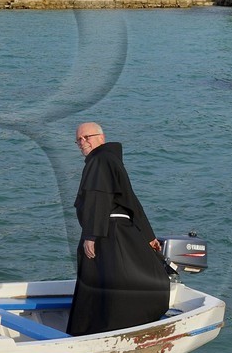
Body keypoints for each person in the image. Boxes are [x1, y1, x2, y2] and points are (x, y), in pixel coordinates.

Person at [67, 121, 171, 336]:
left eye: (87, 137)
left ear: (101, 137)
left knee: (101, 282)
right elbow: (131, 200)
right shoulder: (111, 159)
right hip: (122, 229)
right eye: (78, 139)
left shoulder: (99, 160)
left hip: (108, 232)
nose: (82, 142)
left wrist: (91, 234)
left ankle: (101, 331)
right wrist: (148, 234)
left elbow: (99, 196)